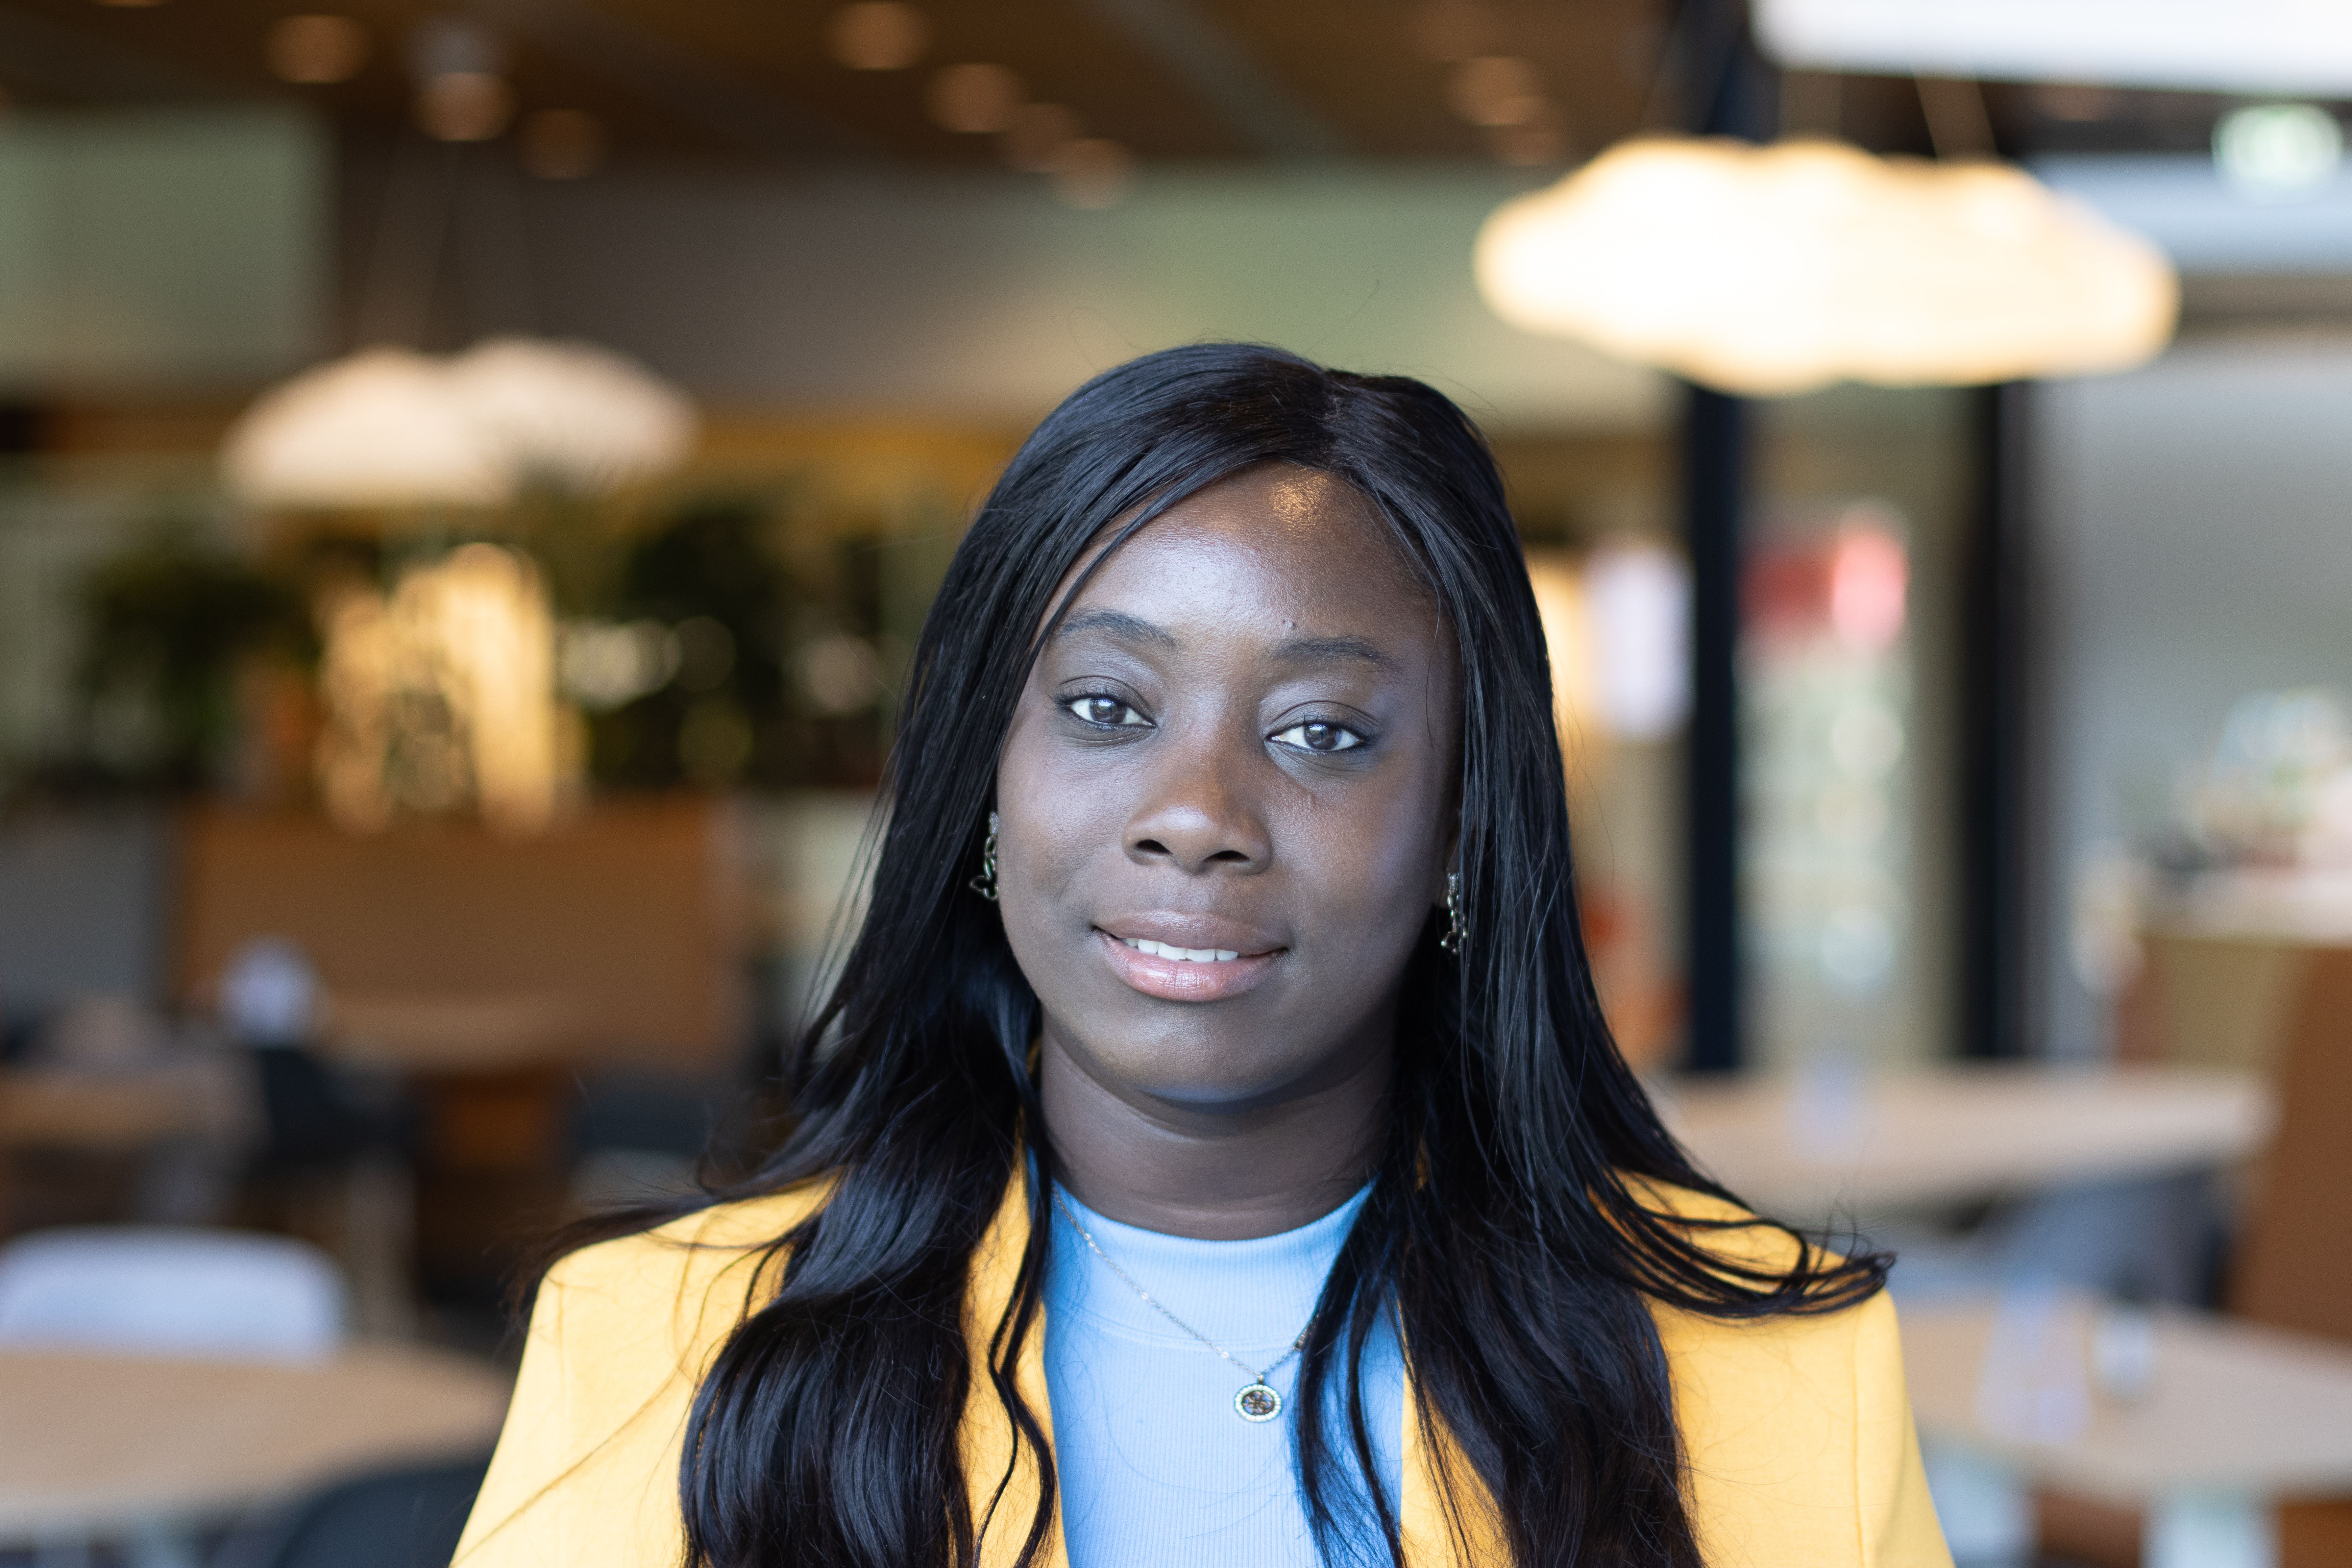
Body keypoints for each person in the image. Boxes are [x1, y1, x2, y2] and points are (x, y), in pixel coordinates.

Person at [455, 345, 1950, 1568]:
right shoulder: (657, 1342)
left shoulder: (1785, 1372)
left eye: (1322, 732)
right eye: (1108, 706)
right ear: (986, 778)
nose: (1196, 817)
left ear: (1458, 830)